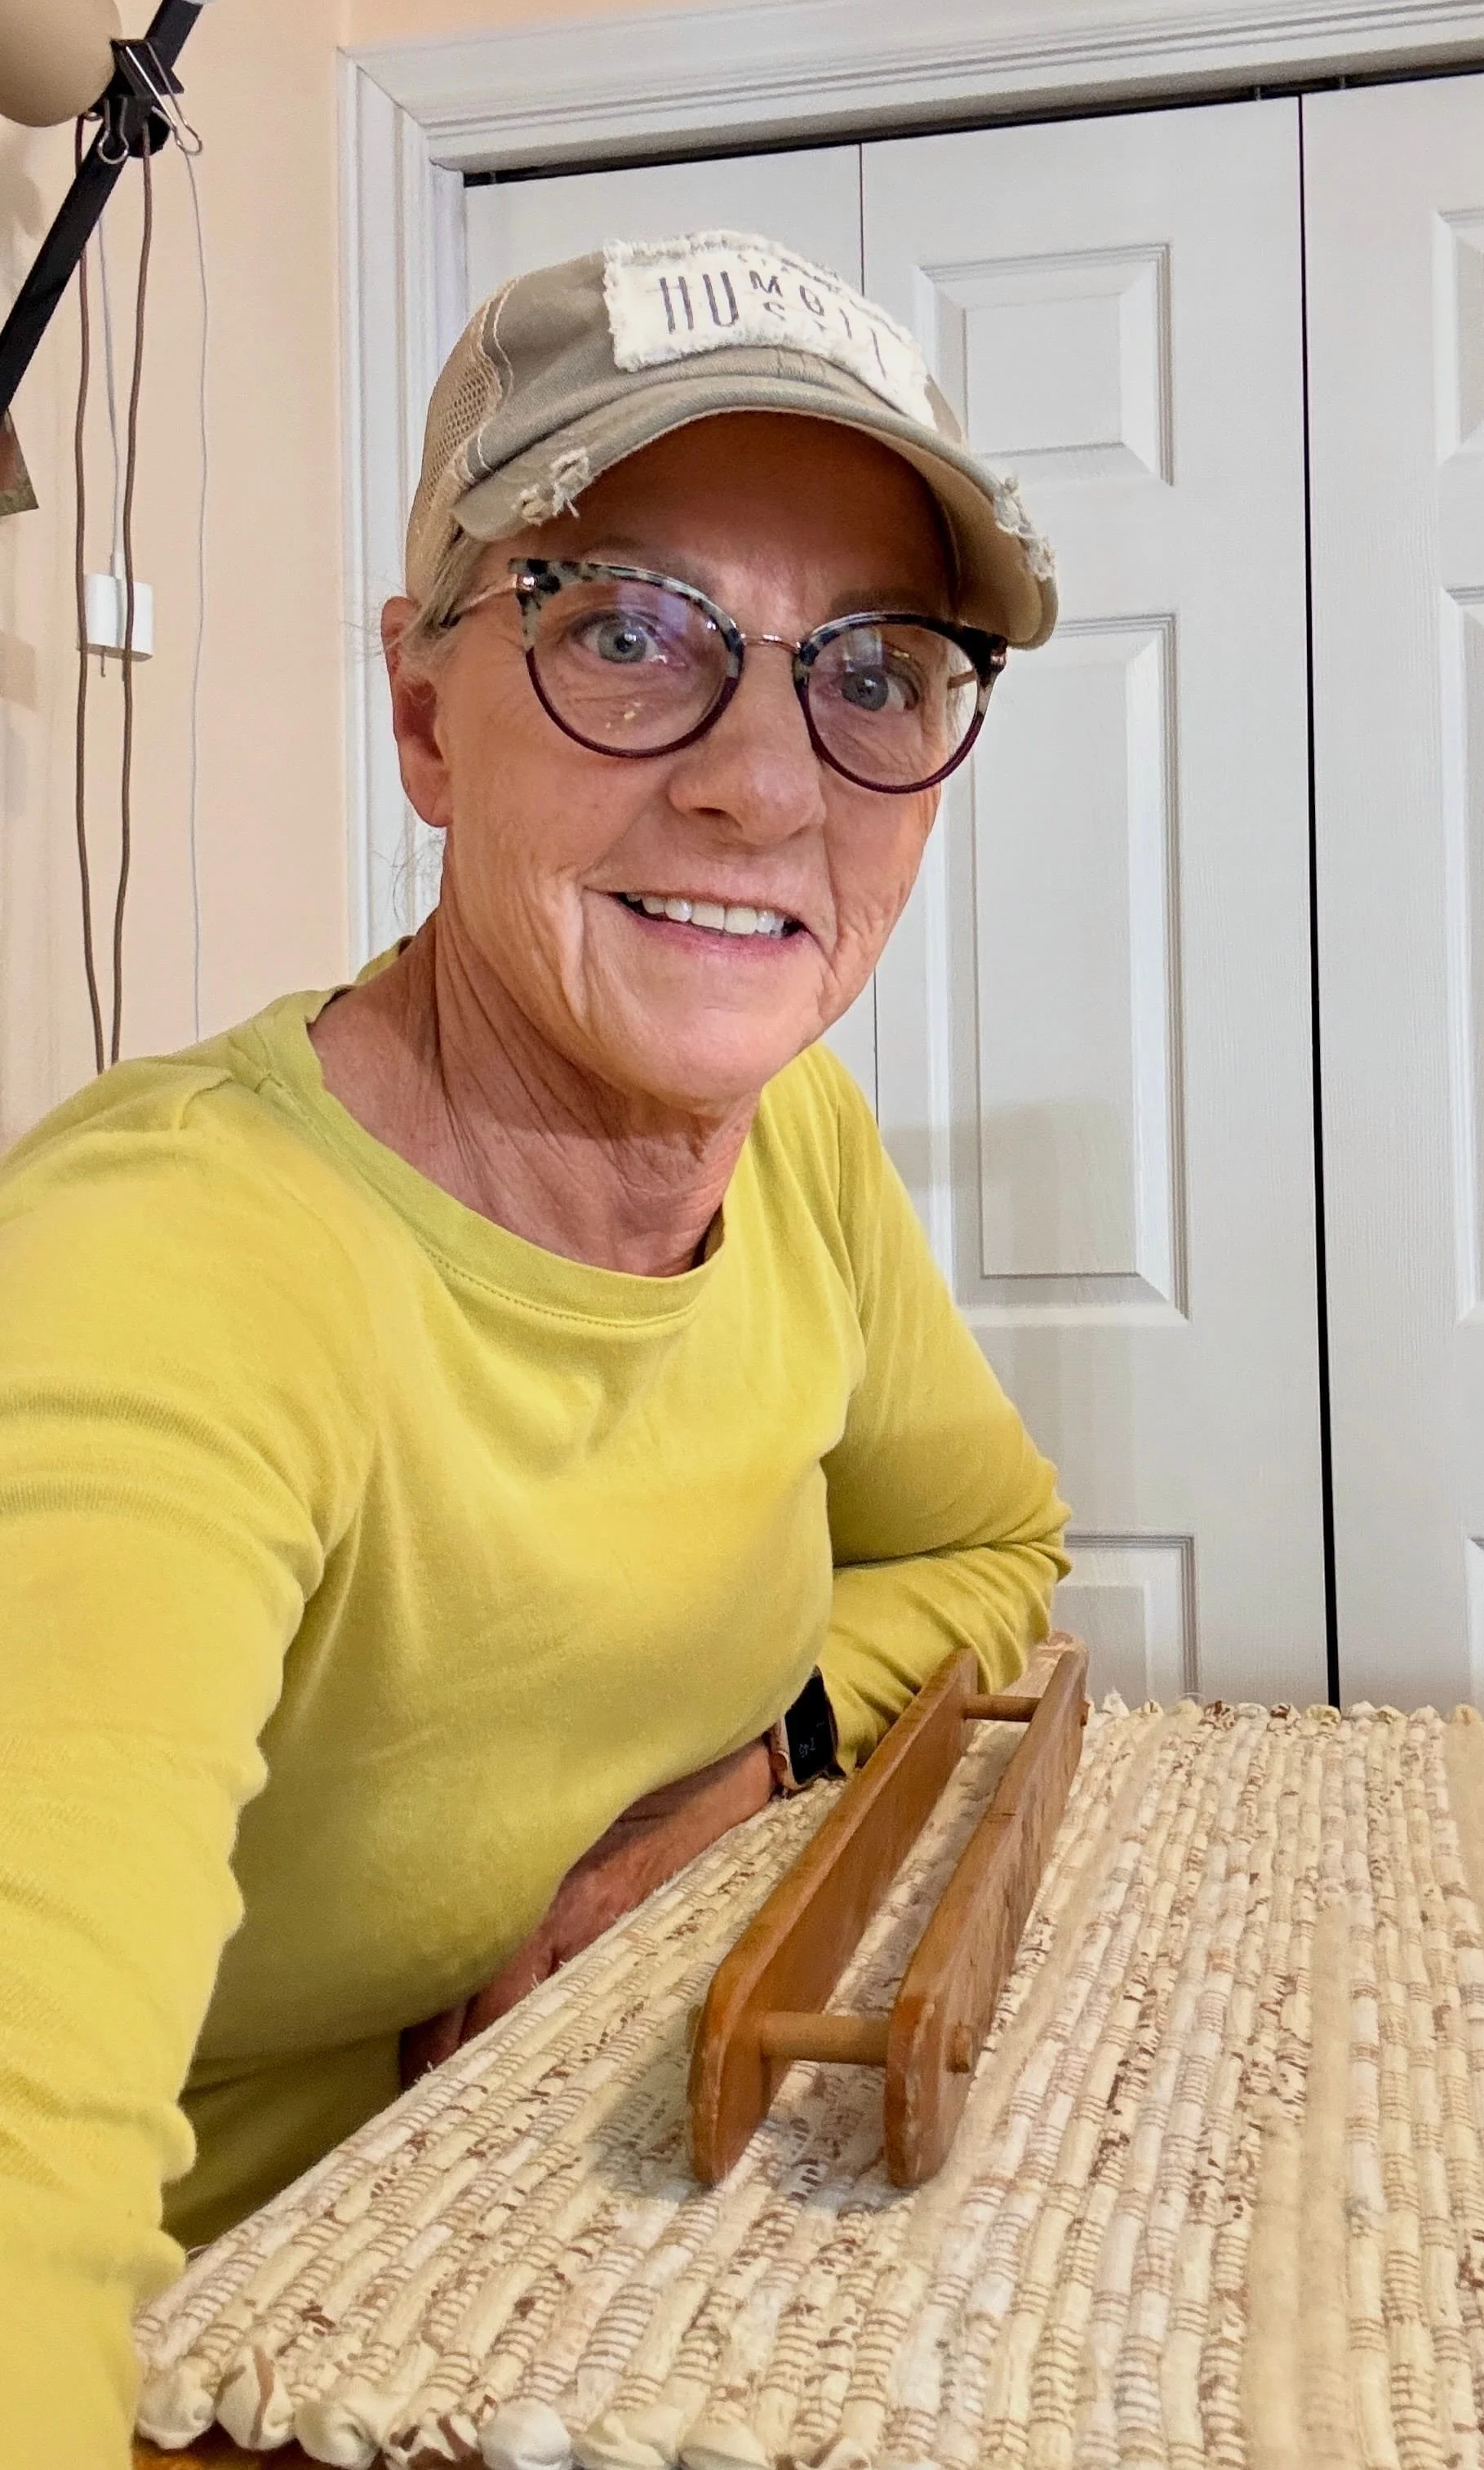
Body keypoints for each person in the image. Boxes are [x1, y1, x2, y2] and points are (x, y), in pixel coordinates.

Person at [0, 231, 1068, 2462]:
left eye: (873, 671)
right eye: (630, 635)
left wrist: (732, 1776)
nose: (765, 787)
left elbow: (990, 1557)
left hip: (612, 2266)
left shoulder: (790, 1142)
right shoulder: (164, 1277)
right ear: (421, 711)